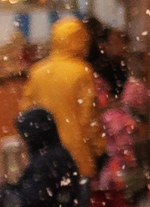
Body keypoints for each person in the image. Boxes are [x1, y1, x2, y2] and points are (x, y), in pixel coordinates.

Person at [19, 18, 106, 180]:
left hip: (43, 158)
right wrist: (99, 149)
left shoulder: (37, 72)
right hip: (77, 156)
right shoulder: (82, 72)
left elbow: (26, 113)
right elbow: (88, 118)